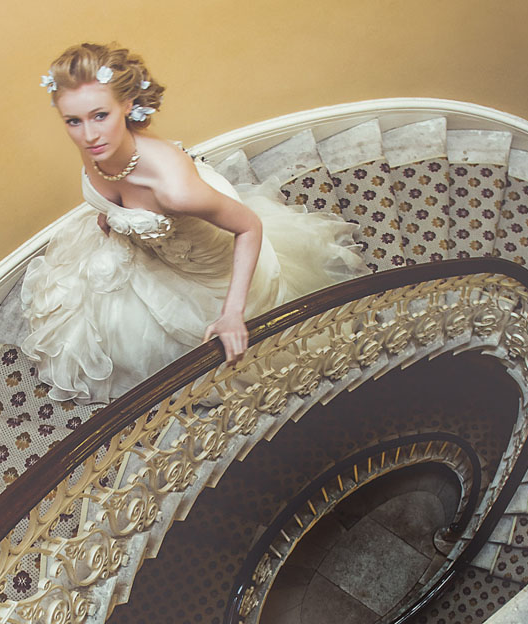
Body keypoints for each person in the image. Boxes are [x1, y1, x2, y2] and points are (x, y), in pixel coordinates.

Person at [21, 42, 368, 405]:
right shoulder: (98, 147)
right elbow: (113, 184)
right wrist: (114, 216)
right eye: (73, 121)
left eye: (100, 116)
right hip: (159, 244)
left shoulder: (174, 189)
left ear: (126, 106)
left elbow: (249, 227)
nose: (88, 135)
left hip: (209, 265)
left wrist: (233, 314)